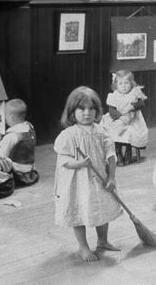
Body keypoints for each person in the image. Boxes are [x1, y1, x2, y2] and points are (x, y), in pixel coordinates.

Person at [53, 86, 123, 262]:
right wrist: (80, 163)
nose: (87, 113)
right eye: (81, 109)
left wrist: (112, 177)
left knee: (102, 208)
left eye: (92, 108)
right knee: (80, 211)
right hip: (78, 182)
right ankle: (83, 247)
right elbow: (64, 161)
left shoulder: (101, 131)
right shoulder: (68, 135)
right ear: (72, 112)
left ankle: (103, 241)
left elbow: (111, 156)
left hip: (100, 179)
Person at [100, 70, 149, 165]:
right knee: (113, 132)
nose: (124, 86)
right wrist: (121, 118)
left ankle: (128, 152)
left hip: (133, 121)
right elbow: (112, 111)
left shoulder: (134, 94)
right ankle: (118, 153)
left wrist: (132, 106)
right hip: (117, 119)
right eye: (120, 84)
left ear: (131, 84)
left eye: (126, 83)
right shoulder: (113, 96)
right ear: (116, 85)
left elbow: (141, 103)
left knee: (130, 133)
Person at [0, 98, 39, 186]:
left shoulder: (12, 135)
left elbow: (2, 156)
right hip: (30, 171)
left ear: (12, 118)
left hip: (18, 174)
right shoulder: (29, 126)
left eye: (4, 116)